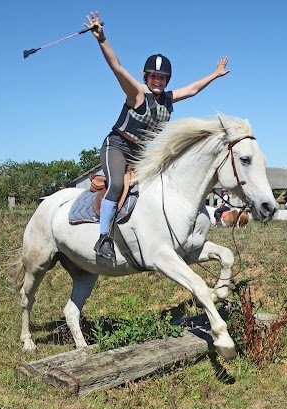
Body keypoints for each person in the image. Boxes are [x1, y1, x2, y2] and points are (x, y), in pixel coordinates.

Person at [86, 11, 231, 259]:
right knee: (117, 184)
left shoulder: (169, 99)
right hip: (118, 146)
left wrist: (215, 74)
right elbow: (116, 67)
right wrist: (102, 39)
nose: (157, 80)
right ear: (146, 77)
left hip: (141, 154)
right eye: (154, 76)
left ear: (167, 80)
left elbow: (193, 90)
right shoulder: (136, 94)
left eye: (162, 77)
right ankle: (104, 238)